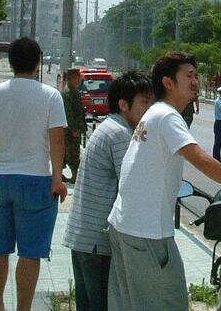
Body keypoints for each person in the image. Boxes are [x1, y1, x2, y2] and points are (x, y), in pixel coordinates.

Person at [107, 52, 221, 310]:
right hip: (145, 231)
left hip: (128, 225)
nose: (196, 81)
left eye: (196, 75)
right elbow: (199, 157)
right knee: (166, 303)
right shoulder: (166, 116)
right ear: (168, 83)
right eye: (188, 75)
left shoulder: (155, 113)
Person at [0, 37, 68, 311]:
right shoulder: (50, 96)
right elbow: (57, 141)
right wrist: (57, 179)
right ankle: (23, 309)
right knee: (30, 252)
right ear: (38, 61)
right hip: (36, 181)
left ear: (10, 61)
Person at [64, 72, 154, 311]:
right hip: (97, 241)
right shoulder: (120, 134)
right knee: (101, 305)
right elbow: (132, 185)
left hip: (85, 236)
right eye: (145, 102)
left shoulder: (110, 127)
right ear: (124, 105)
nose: (150, 109)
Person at [62, 68, 85, 183]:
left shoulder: (73, 91)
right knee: (72, 152)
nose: (80, 80)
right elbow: (68, 113)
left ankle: (71, 174)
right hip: (70, 131)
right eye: (78, 77)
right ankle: (74, 174)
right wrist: (74, 129)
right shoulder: (68, 92)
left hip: (73, 129)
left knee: (70, 152)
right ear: (73, 78)